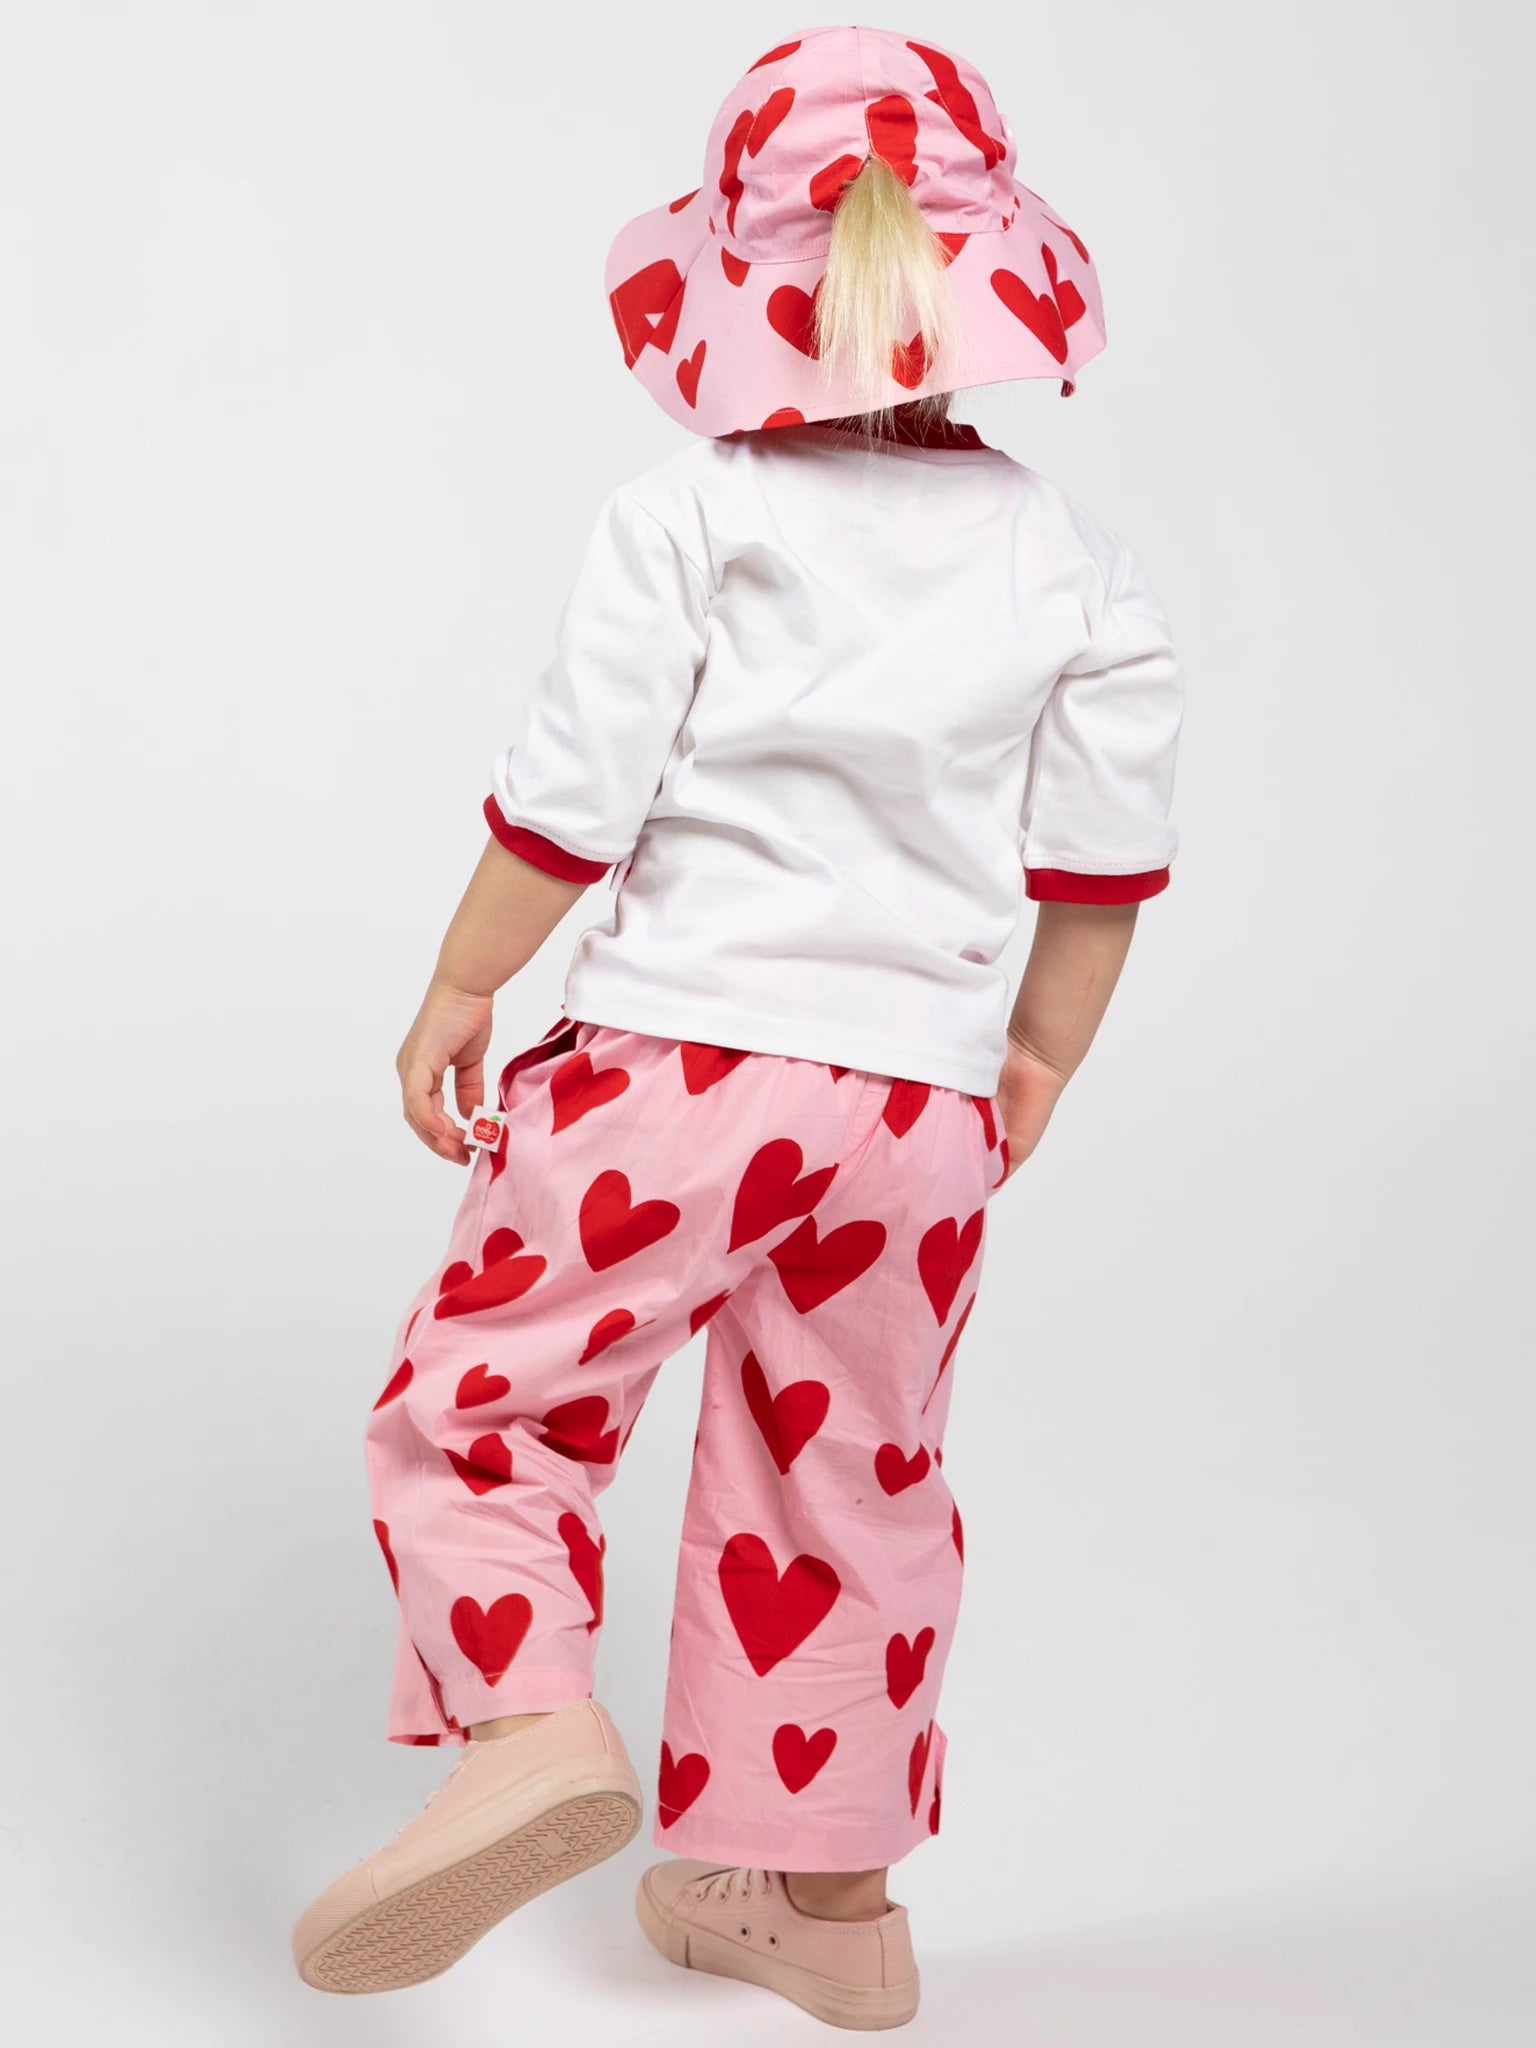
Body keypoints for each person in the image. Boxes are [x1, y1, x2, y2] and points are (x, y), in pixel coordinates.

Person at [291, 24, 1182, 2031]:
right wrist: (1030, 1060)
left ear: (734, 288)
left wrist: (461, 980)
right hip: (922, 1120)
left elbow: (569, 801)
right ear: (987, 281)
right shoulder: (1070, 562)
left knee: (486, 1401)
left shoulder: (689, 517)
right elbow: (1106, 869)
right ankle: (827, 1906)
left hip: (675, 1074)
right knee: (849, 1476)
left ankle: (528, 1726)